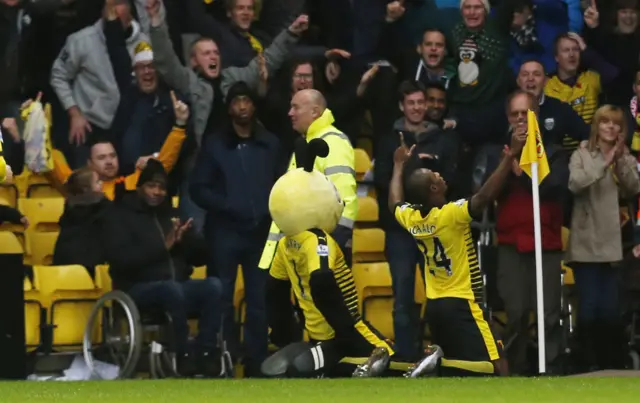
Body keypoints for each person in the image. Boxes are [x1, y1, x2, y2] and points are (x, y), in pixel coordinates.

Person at [261, 138, 408, 378]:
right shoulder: (298, 243)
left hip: (343, 332)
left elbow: (306, 285)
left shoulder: (301, 243)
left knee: (392, 363)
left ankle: (406, 366)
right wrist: (286, 333)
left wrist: (286, 333)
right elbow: (284, 289)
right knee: (275, 369)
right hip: (331, 335)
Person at [388, 126, 526, 377]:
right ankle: (435, 365)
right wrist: (510, 155)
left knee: (457, 367)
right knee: (494, 360)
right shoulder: (451, 215)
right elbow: (483, 197)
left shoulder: (413, 219)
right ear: (433, 190)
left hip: (435, 305)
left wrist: (398, 166)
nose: (439, 175)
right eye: (434, 176)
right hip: (462, 300)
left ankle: (434, 362)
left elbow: (394, 203)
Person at [190, 81, 281, 375]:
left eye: (247, 100)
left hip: (260, 233)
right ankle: (224, 360)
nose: (242, 106)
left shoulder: (271, 143)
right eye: (236, 101)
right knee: (222, 300)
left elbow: (282, 184)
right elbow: (198, 188)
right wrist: (228, 205)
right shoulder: (214, 143)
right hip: (224, 232)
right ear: (229, 107)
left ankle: (256, 363)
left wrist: (269, 212)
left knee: (258, 303)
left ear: (254, 106)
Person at [103, 159, 223, 377]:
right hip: (136, 289)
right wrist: (164, 246)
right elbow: (121, 261)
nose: (157, 192)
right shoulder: (120, 216)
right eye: (151, 186)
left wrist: (188, 240)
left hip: (177, 285)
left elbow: (200, 259)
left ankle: (206, 353)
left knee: (213, 286)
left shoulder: (173, 215)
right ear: (140, 187)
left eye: (162, 188)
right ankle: (182, 353)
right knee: (170, 289)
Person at [567, 105, 640, 371]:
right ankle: (587, 365)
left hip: (616, 244)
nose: (611, 127)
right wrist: (604, 162)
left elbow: (635, 187)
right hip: (587, 242)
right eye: (605, 122)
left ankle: (612, 364)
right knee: (589, 308)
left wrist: (619, 160)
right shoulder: (582, 154)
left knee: (610, 310)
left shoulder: (626, 157)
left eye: (616, 123)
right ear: (597, 126)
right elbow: (575, 183)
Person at [259, 89, 357, 270]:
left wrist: (333, 246)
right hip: (306, 250)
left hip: (321, 254)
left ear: (314, 111)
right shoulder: (308, 142)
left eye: (295, 107)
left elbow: (343, 198)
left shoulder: (332, 142)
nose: (290, 113)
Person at [48, 91, 188, 200]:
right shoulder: (79, 186)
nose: (109, 161)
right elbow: (49, 159)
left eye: (112, 156)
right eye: (102, 158)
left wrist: (180, 124)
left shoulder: (130, 184)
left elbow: (163, 164)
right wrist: (36, 123)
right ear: (89, 164)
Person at [53, 167, 112, 278]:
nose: (102, 184)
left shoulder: (68, 212)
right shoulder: (106, 210)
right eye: (97, 182)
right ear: (86, 189)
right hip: (92, 271)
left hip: (63, 271)